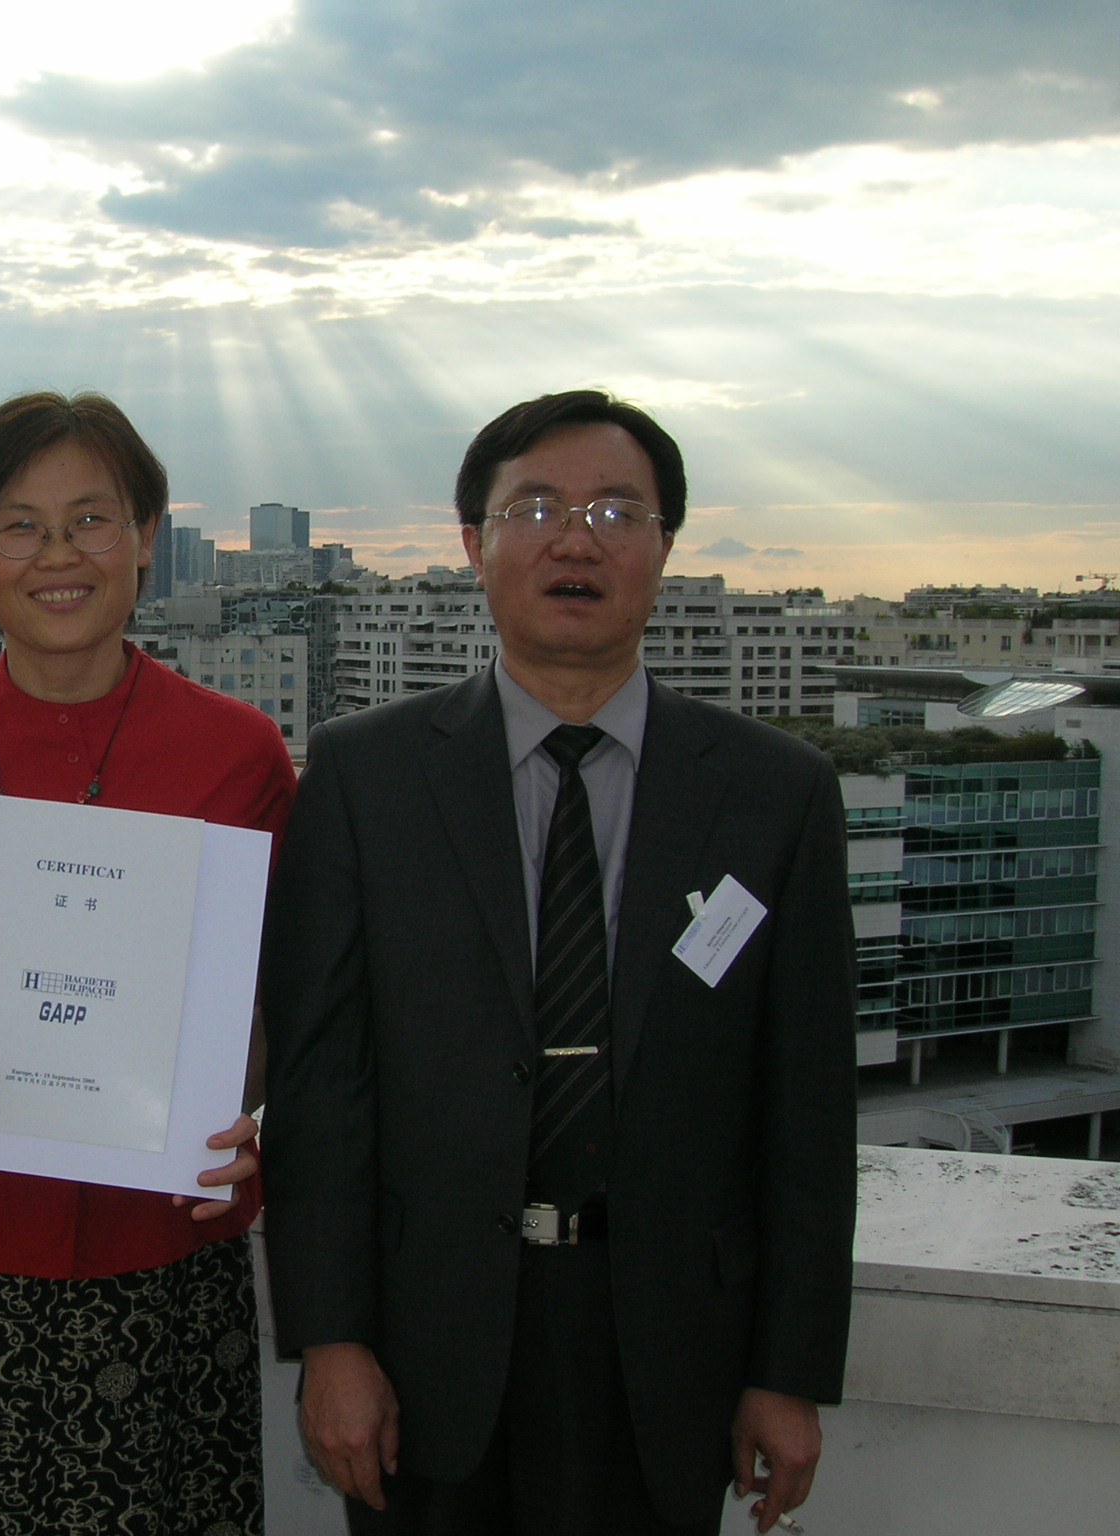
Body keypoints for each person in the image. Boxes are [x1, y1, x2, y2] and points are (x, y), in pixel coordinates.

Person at [261, 391, 857, 1536]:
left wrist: (787, 1372)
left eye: (616, 512)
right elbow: (320, 1084)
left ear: (662, 549)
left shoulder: (772, 794)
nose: (575, 540)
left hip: (672, 1350)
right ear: (472, 544)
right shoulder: (365, 777)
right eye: (533, 508)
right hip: (424, 1343)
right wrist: (330, 1341)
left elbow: (808, 1111)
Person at [0, 390, 296, 1535]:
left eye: (91, 519)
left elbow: (279, 1008)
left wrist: (247, 1112)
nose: (57, 555)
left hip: (165, 1254)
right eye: (18, 526)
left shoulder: (238, 754)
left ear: (144, 537)